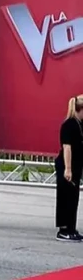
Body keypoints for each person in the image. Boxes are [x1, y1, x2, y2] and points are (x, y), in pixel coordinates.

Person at [55, 95, 83, 242]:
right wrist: (68, 169)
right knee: (66, 197)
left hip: (77, 166)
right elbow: (67, 148)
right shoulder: (69, 124)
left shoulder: (80, 124)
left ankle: (72, 228)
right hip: (66, 165)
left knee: (74, 198)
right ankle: (64, 229)